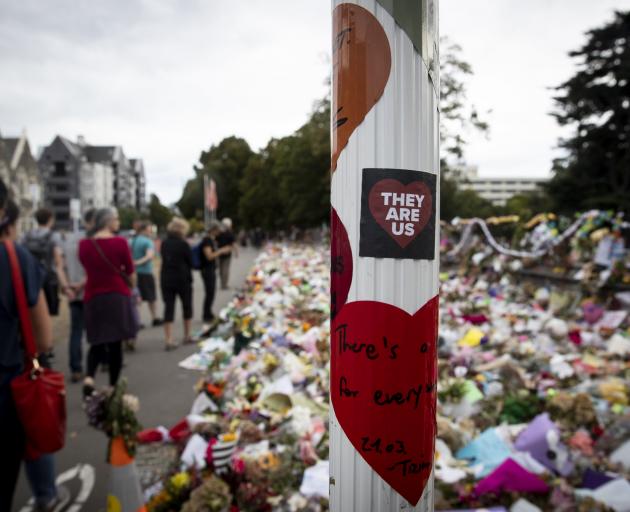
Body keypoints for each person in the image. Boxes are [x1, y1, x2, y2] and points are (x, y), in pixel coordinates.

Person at [0, 180, 60, 512]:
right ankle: (46, 493)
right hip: (6, 385)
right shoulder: (12, 256)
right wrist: (40, 354)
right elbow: (43, 329)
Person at [79, 208, 137, 395]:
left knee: (96, 340)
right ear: (107, 221)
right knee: (115, 343)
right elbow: (129, 271)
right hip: (116, 295)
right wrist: (131, 285)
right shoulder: (120, 242)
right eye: (116, 219)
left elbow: (89, 271)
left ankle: (89, 377)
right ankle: (112, 385)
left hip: (93, 297)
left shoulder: (85, 245)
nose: (118, 222)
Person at [58, 209, 96, 383]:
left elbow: (59, 265)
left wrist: (67, 286)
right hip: (89, 291)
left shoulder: (68, 240)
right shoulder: (91, 241)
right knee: (97, 329)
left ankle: (76, 367)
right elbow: (94, 268)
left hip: (73, 292)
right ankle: (99, 362)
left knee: (76, 331)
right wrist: (81, 284)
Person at [22, 208, 71, 317]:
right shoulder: (54, 236)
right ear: (50, 220)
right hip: (48, 280)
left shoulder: (26, 235)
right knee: (47, 315)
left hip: (29, 279)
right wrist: (65, 286)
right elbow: (59, 264)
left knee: (30, 313)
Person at [160, 217, 194, 350]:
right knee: (187, 306)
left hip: (166, 278)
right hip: (182, 278)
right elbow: (191, 262)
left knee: (169, 307)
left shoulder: (164, 243)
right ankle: (187, 335)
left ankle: (168, 339)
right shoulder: (183, 244)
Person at [200, 221, 231, 332]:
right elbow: (209, 256)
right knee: (209, 292)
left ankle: (208, 313)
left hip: (210, 269)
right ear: (213, 230)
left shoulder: (210, 240)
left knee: (211, 292)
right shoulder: (207, 240)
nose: (219, 233)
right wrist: (222, 251)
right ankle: (206, 314)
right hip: (207, 270)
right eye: (217, 230)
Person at [130, 221, 162, 327]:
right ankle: (155, 317)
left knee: (137, 297)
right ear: (144, 230)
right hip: (145, 272)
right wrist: (138, 262)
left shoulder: (132, 241)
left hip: (134, 273)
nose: (151, 232)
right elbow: (150, 256)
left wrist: (132, 264)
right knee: (151, 297)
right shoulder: (148, 242)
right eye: (149, 229)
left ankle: (138, 320)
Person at [216, 217, 238, 290]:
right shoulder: (230, 233)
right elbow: (233, 243)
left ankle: (222, 283)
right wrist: (236, 252)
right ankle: (224, 284)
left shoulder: (219, 232)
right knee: (225, 268)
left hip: (219, 252)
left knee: (221, 269)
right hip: (227, 252)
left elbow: (215, 242)